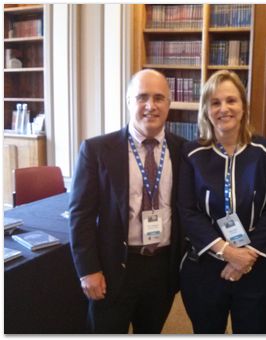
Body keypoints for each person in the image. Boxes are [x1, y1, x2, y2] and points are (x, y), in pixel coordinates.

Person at [69, 69, 185, 333]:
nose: (150, 106)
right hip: (113, 268)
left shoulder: (183, 150)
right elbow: (81, 216)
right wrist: (88, 270)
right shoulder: (97, 150)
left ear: (169, 104)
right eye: (142, 97)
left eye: (159, 98)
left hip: (162, 269)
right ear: (128, 101)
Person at [177, 70, 266, 334]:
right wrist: (228, 253)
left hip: (255, 264)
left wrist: (245, 257)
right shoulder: (191, 153)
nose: (223, 108)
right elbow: (187, 210)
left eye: (231, 100)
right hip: (204, 265)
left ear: (243, 106)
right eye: (215, 102)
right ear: (205, 109)